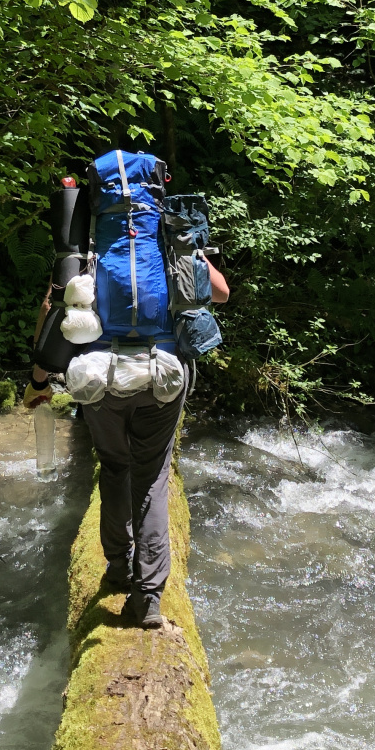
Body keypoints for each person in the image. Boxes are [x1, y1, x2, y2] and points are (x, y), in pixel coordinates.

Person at [24, 257, 229, 629]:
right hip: (163, 374)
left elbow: (52, 313)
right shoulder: (167, 233)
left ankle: (118, 568)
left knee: (116, 467)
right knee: (151, 478)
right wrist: (191, 252)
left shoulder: (85, 243)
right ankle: (148, 597)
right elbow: (220, 294)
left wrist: (39, 380)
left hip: (100, 376)